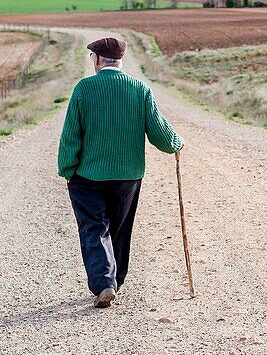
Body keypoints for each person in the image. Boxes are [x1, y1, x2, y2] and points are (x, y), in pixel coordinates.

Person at [57, 36, 184, 308]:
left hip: (87, 175)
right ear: (120, 60)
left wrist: (67, 167)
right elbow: (159, 132)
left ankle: (104, 283)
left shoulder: (84, 89)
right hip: (128, 175)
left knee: (94, 227)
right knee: (120, 229)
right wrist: (176, 143)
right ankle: (116, 281)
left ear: (97, 60)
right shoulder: (140, 89)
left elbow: (71, 134)